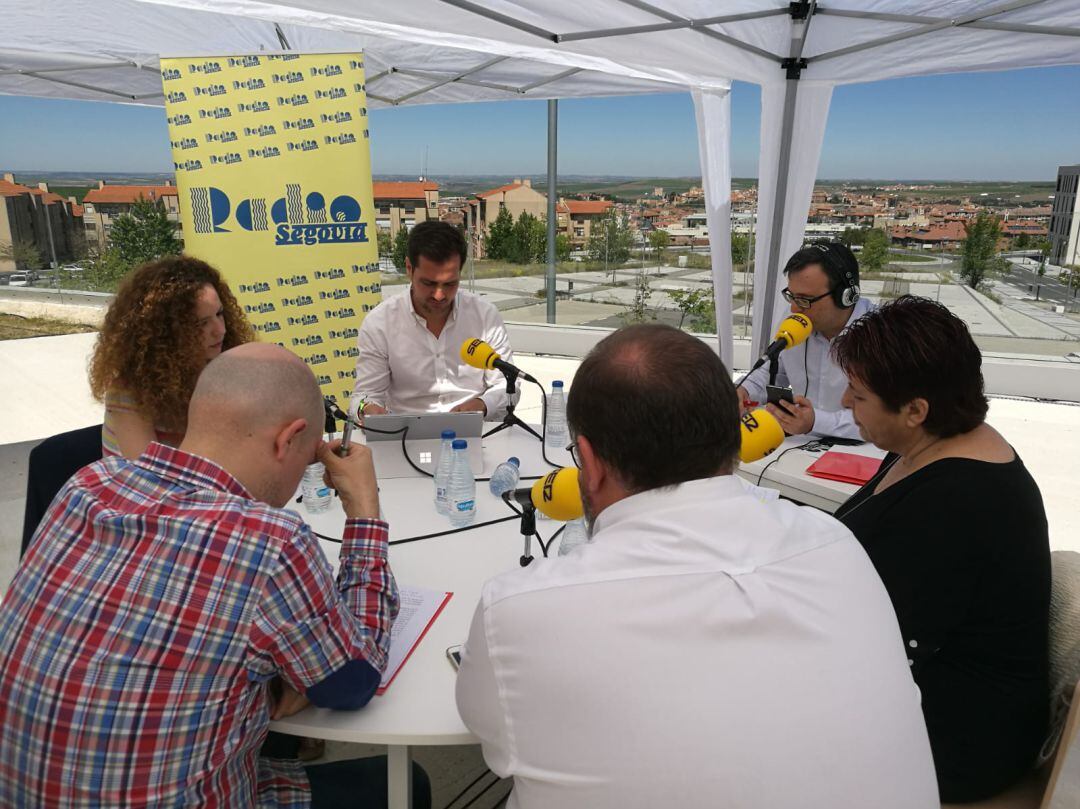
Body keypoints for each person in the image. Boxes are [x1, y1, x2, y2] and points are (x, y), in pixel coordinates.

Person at [455, 323, 938, 809]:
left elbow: (492, 738)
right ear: (734, 440)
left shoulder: (518, 611)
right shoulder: (837, 545)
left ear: (588, 463)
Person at [0, 343, 430, 808]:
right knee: (404, 784)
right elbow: (353, 682)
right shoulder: (269, 542)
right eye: (309, 460)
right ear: (288, 440)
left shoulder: (87, 485)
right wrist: (365, 512)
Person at [831, 295, 1050, 803]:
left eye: (857, 395)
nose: (844, 403)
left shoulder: (962, 497)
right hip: (930, 695)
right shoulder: (928, 446)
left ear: (914, 410)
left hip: (958, 741)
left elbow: (884, 637)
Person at [89, 255, 255, 458]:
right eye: (200, 324)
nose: (220, 330)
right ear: (165, 333)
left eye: (220, 314)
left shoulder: (223, 368)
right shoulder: (129, 390)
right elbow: (151, 476)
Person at [353, 220, 518, 418]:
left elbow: (507, 385)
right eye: (429, 283)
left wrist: (482, 404)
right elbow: (365, 396)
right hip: (405, 436)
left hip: (477, 431)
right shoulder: (379, 323)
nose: (439, 295)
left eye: (450, 284)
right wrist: (367, 409)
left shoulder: (485, 316)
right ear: (408, 268)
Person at [737, 241, 872, 439]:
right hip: (800, 446)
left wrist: (815, 421)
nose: (794, 309)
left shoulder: (881, 335)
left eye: (805, 299)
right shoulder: (796, 317)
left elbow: (886, 418)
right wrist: (744, 390)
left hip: (863, 454)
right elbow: (776, 369)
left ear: (846, 296)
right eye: (791, 296)